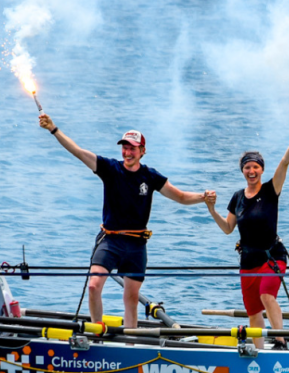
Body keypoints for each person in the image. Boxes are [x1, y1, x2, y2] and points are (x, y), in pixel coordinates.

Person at [38, 113, 213, 329]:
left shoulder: (151, 176)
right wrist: (53, 129)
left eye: (132, 148)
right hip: (110, 240)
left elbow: (181, 197)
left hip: (136, 245)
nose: (127, 152)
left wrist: (203, 197)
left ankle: (131, 342)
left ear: (142, 151)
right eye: (125, 148)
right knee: (93, 286)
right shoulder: (110, 168)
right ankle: (97, 333)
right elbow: (78, 151)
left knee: (131, 298)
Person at [205, 117, 289, 349]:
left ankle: (280, 342)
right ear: (243, 171)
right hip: (248, 260)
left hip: (272, 257)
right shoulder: (237, 197)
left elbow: (285, 162)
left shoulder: (271, 190)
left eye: (255, 167)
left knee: (266, 296)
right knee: (253, 312)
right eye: (247, 167)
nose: (251, 171)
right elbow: (228, 228)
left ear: (262, 169)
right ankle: (260, 353)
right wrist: (211, 209)